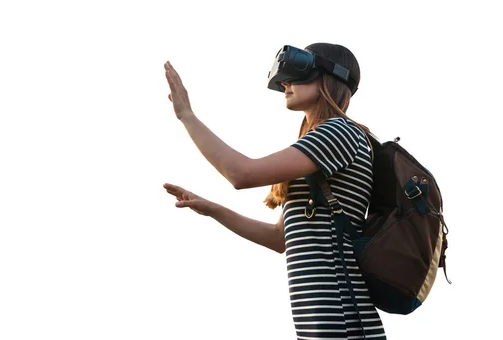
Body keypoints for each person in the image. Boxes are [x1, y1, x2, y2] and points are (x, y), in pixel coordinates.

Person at [163, 43, 387, 340]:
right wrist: (212, 209)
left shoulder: (340, 132)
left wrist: (187, 117)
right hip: (318, 320)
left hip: (343, 319)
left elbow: (241, 174)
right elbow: (281, 238)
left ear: (329, 78)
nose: (285, 83)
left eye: (297, 73)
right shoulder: (318, 149)